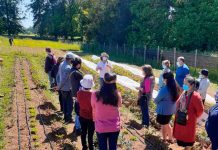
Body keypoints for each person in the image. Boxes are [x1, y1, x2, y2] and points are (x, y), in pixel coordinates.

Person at [91, 73, 122, 150]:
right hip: (114, 126)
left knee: (102, 147)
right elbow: (120, 105)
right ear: (115, 82)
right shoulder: (117, 94)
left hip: (101, 127)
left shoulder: (95, 94)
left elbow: (93, 106)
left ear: (103, 81)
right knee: (113, 147)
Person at [173, 76, 204, 150]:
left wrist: (192, 116)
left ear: (192, 85)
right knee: (182, 137)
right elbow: (178, 102)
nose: (183, 84)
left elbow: (200, 110)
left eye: (186, 83)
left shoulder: (196, 96)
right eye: (183, 82)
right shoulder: (184, 92)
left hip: (189, 122)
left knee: (188, 140)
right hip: (181, 119)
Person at [155, 72, 178, 143]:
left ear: (166, 79)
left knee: (163, 125)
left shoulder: (165, 88)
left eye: (163, 79)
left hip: (164, 110)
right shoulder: (174, 87)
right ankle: (170, 138)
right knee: (167, 124)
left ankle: (164, 139)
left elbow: (157, 99)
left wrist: (155, 101)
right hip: (171, 109)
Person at [77, 74, 95, 150]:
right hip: (92, 117)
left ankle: (84, 146)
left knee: (83, 132)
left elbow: (78, 103)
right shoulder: (94, 94)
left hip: (82, 115)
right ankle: (91, 147)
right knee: (90, 134)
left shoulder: (79, 93)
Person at [58, 52, 74, 123]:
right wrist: (59, 87)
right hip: (66, 88)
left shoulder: (62, 64)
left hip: (63, 88)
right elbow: (64, 79)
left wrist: (59, 85)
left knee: (64, 103)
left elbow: (59, 75)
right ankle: (68, 118)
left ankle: (65, 117)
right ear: (70, 59)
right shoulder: (68, 68)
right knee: (69, 104)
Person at [70, 57, 83, 134]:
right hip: (79, 94)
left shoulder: (72, 70)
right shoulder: (77, 73)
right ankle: (78, 128)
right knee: (79, 112)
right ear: (78, 64)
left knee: (77, 110)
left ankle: (76, 125)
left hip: (74, 93)